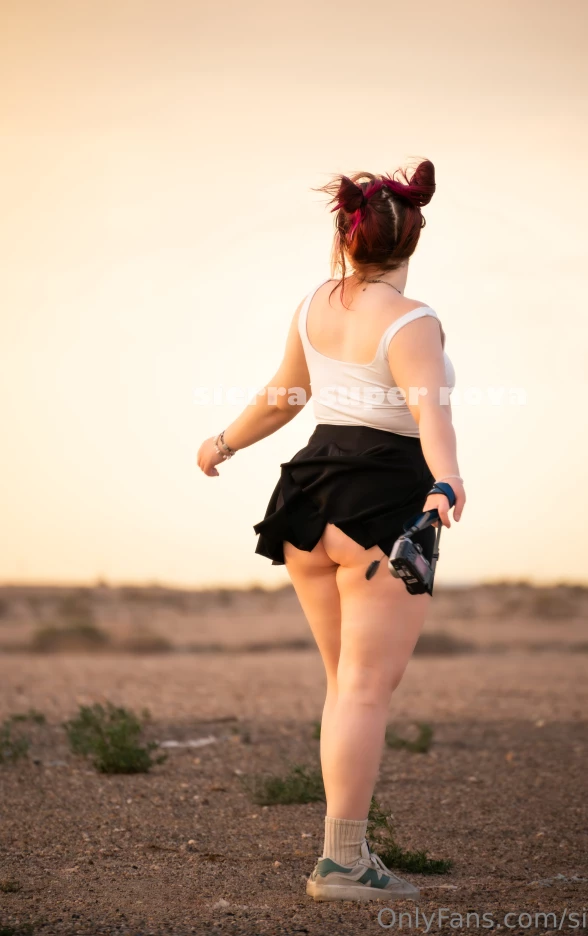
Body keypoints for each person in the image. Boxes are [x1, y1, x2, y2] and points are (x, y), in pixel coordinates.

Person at [196, 157, 465, 902]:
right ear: (412, 240)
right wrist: (446, 481)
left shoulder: (317, 302)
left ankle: (346, 852)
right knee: (366, 690)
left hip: (309, 498)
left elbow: (284, 397)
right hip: (381, 503)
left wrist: (222, 443)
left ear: (347, 240)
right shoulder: (412, 320)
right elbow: (428, 412)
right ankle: (343, 865)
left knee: (346, 686)